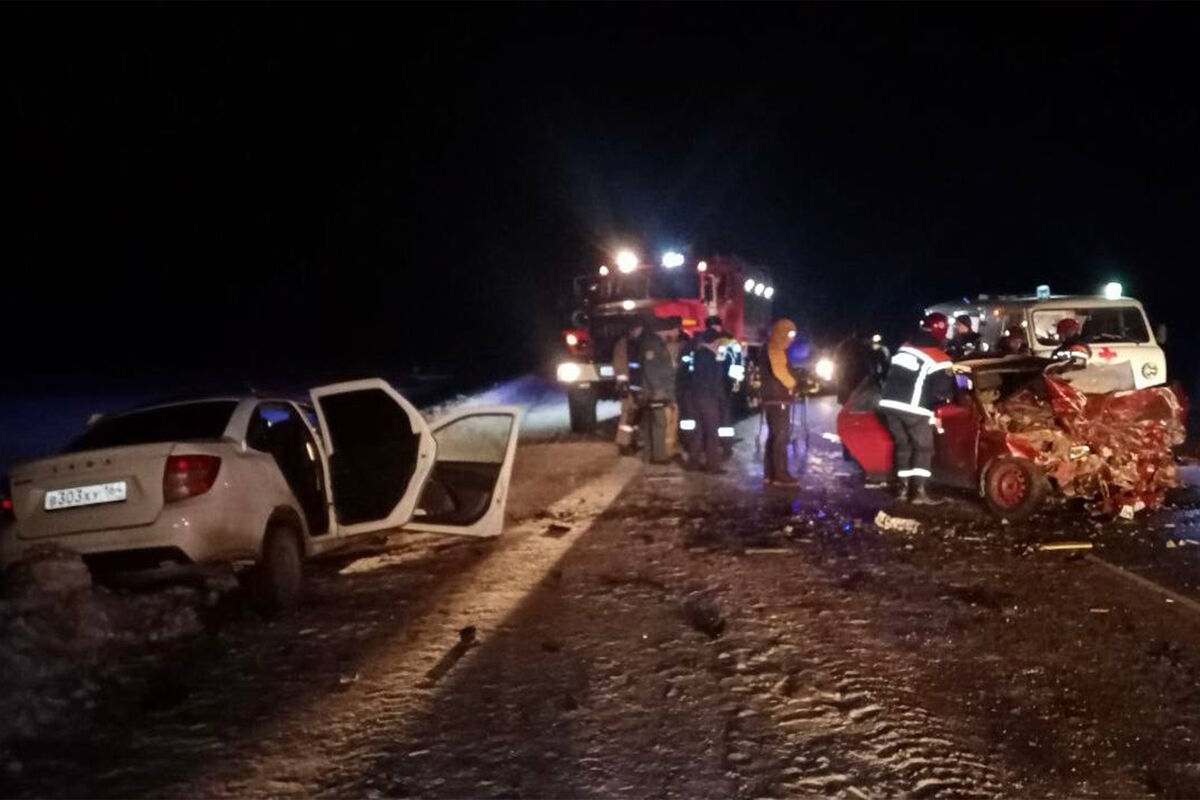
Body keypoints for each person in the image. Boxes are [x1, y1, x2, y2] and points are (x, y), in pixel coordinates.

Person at [878, 312, 956, 504]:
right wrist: (943, 406)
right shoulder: (939, 357)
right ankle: (919, 493)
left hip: (888, 404)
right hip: (913, 407)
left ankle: (903, 489)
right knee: (923, 448)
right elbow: (941, 392)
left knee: (903, 445)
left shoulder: (905, 347)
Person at [760, 318, 801, 487]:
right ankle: (780, 475)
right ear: (781, 333)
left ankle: (770, 473)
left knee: (774, 436)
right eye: (789, 334)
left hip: (772, 399)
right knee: (781, 437)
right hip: (778, 399)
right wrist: (795, 384)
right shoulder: (775, 348)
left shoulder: (769, 347)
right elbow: (780, 372)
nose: (791, 339)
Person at [684, 329, 726, 473]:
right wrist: (719, 396)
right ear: (713, 342)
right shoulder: (710, 357)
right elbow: (715, 380)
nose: (721, 344)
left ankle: (693, 463)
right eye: (719, 341)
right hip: (708, 398)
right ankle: (712, 465)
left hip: (695, 396)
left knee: (698, 431)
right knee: (712, 432)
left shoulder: (697, 354)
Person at [639, 316, 679, 464]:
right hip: (656, 393)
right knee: (659, 423)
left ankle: (649, 455)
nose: (676, 334)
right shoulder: (653, 345)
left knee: (652, 423)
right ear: (666, 330)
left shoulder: (656, 343)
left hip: (655, 391)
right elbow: (651, 370)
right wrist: (658, 390)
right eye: (675, 330)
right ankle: (659, 456)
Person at [612, 316, 649, 454]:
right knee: (627, 416)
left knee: (635, 416)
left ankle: (632, 441)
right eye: (639, 329)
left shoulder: (635, 343)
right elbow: (620, 366)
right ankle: (623, 443)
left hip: (636, 385)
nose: (640, 331)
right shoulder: (624, 344)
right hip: (627, 387)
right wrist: (623, 384)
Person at [834, 330, 874, 405]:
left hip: (847, 377)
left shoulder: (844, 344)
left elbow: (837, 360)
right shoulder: (861, 346)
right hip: (856, 377)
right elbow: (867, 362)